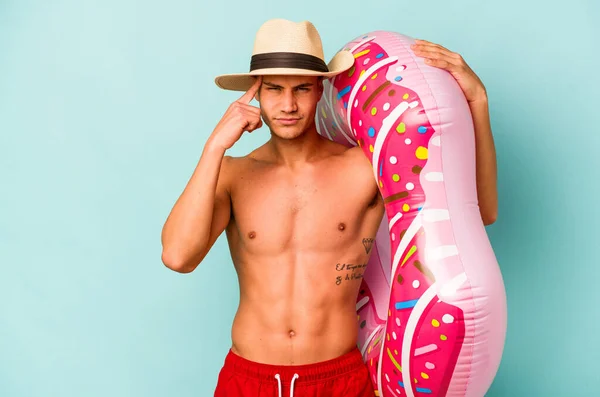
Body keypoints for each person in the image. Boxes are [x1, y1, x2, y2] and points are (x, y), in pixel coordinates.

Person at [160, 18, 497, 397]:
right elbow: (177, 256)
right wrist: (214, 148)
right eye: (274, 89)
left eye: (301, 88)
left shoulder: (363, 168)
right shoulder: (232, 175)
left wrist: (477, 103)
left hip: (337, 379)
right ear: (255, 93)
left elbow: (477, 212)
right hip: (248, 378)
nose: (288, 105)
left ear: (320, 89)